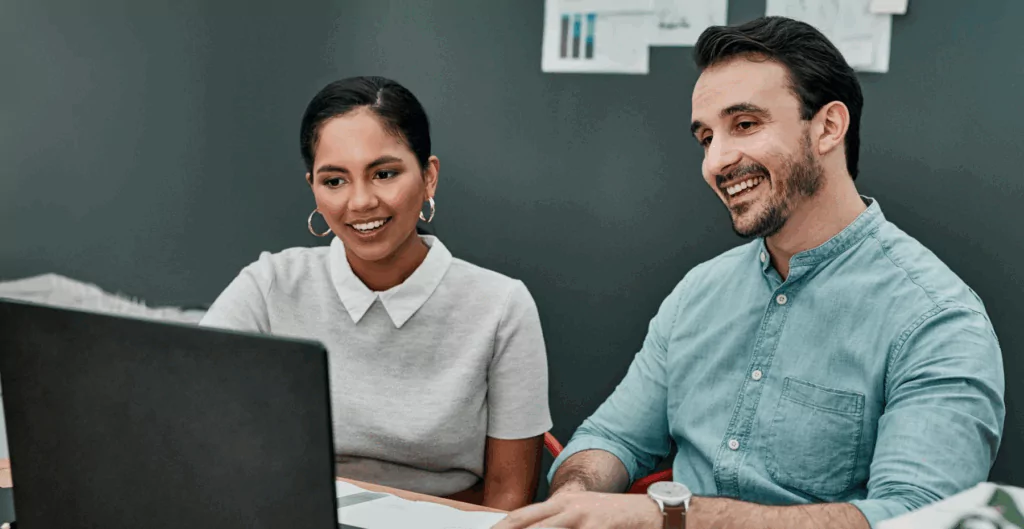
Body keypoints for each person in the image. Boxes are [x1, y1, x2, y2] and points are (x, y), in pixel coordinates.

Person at [497, 16, 1004, 529]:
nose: (717, 161)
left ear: (828, 127)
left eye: (745, 125)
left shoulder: (937, 319)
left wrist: (671, 517)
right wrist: (577, 500)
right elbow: (612, 439)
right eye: (705, 137)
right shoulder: (699, 293)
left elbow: (918, 518)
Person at [201, 76, 551, 510]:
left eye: (384, 174)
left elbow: (508, 502)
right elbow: (188, 418)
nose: (361, 201)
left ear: (428, 177)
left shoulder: (502, 307)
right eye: (335, 181)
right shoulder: (270, 285)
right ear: (313, 186)